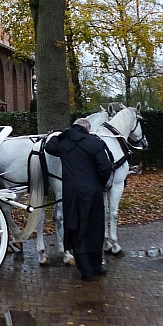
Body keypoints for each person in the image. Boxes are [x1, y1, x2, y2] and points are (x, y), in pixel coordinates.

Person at [45, 117, 113, 282]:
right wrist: (100, 183)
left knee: (77, 228)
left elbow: (49, 145)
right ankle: (96, 266)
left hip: (72, 193)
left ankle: (85, 271)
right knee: (95, 227)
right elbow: (105, 168)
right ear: (88, 128)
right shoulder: (95, 143)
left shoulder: (64, 143)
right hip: (93, 191)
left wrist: (60, 134)